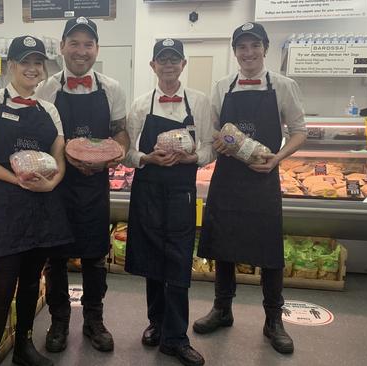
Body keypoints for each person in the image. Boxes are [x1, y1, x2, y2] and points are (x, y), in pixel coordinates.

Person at [193, 22, 307, 355]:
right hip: (228, 177)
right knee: (223, 247)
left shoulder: (283, 86)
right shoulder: (222, 87)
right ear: (235, 52)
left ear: (265, 49)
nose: (248, 53)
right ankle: (222, 309)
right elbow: (212, 132)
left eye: (254, 46)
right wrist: (213, 144)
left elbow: (300, 131)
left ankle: (274, 320)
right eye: (241, 47)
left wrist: (277, 159)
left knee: (270, 252)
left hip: (263, 177)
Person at [0, 35, 73, 366]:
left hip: (42, 206)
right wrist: (17, 179)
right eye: (24, 62)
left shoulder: (49, 110)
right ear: (11, 65)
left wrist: (53, 181)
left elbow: (60, 157)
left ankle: (24, 349)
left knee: (30, 282)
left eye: (37, 63)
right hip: (6, 204)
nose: (32, 68)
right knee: (1, 288)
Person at [36, 16, 129, 353]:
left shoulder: (112, 88)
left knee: (95, 257)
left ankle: (94, 320)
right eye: (73, 43)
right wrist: (64, 158)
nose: (81, 50)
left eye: (87, 44)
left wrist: (115, 153)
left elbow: (121, 130)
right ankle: (59, 320)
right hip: (58, 185)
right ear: (61, 47)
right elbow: (41, 136)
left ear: (96, 49)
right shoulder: (46, 89)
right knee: (56, 257)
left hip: (95, 186)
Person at [124, 38, 215, 366]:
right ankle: (157, 323)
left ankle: (176, 337)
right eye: (162, 60)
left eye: (174, 59)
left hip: (181, 192)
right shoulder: (140, 105)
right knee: (152, 259)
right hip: (148, 188)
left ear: (182, 64)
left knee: (177, 262)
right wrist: (146, 157)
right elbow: (126, 152)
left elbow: (210, 148)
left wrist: (190, 158)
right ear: (153, 66)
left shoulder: (200, 102)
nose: (168, 65)